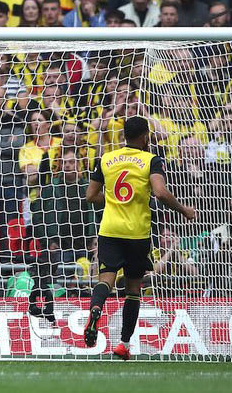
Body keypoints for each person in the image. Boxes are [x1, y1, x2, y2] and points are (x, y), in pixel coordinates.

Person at [83, 116, 196, 360]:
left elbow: (91, 196)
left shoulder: (106, 159)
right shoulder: (150, 160)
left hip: (109, 231)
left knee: (105, 280)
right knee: (133, 290)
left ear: (124, 135)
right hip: (137, 233)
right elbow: (160, 191)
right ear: (145, 136)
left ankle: (95, 308)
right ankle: (124, 344)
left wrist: (112, 200)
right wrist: (184, 209)